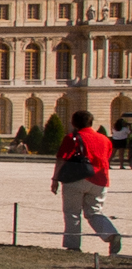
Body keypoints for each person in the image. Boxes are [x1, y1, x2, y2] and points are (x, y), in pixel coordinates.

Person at [52, 109, 121, 257]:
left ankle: (73, 246)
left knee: (72, 213)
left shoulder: (72, 138)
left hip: (76, 179)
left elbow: (61, 159)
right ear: (91, 122)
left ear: (73, 123)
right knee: (94, 212)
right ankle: (111, 234)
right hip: (100, 180)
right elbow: (106, 158)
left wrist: (55, 179)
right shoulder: (104, 139)